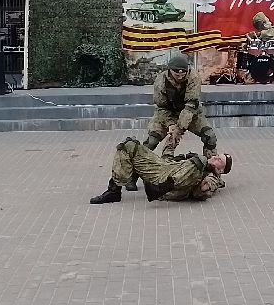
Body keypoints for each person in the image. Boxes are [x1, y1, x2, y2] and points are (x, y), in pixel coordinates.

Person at [90, 138, 231, 204]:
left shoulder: (212, 177)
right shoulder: (197, 160)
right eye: (217, 156)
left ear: (221, 170)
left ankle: (160, 188)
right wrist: (172, 140)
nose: (215, 157)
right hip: (162, 169)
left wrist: (206, 186)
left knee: (200, 160)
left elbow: (202, 192)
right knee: (129, 145)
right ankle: (114, 191)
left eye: (220, 160)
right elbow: (167, 158)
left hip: (170, 186)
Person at [144, 50, 217, 157]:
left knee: (210, 137)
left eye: (183, 74)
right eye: (177, 75)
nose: (180, 77)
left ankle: (210, 166)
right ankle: (138, 165)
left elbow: (191, 105)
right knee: (151, 141)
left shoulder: (194, 77)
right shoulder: (160, 82)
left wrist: (178, 129)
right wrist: (170, 125)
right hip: (168, 113)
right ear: (170, 71)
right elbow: (161, 107)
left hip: (192, 114)